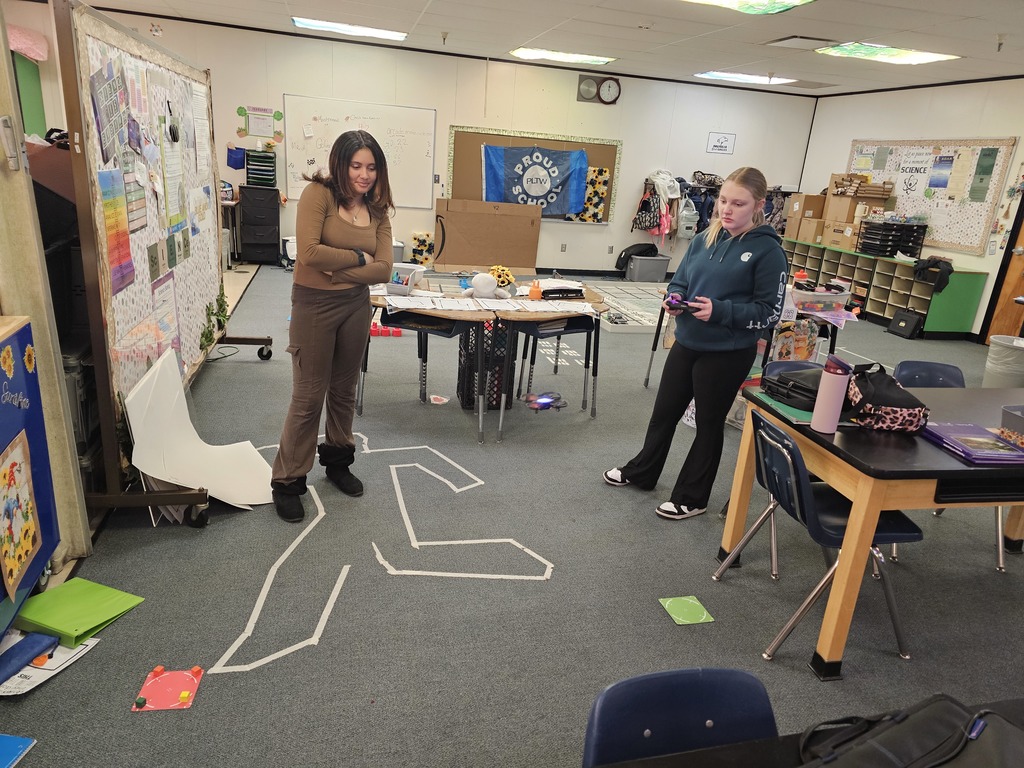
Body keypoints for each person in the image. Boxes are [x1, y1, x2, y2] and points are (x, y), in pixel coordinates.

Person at [604, 167, 787, 520]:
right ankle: (643, 472)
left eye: (738, 203)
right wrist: (674, 297)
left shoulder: (768, 252)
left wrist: (721, 311)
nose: (726, 209)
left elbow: (769, 313)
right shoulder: (705, 238)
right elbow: (681, 280)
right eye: (723, 201)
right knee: (664, 414)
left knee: (707, 423)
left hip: (728, 352)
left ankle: (693, 496)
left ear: (759, 205)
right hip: (688, 340)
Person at [271, 130, 395, 522]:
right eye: (356, 165)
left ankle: (338, 462)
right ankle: (288, 480)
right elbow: (307, 253)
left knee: (343, 390)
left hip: (355, 307)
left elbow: (386, 268)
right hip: (313, 308)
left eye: (371, 167)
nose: (364, 175)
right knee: (309, 395)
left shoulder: (377, 210)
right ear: (339, 164)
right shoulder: (318, 195)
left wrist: (337, 270)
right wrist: (360, 258)